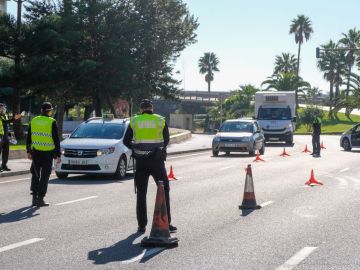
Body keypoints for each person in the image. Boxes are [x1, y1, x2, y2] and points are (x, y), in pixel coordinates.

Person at [123, 99, 177, 234]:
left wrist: (135, 149)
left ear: (141, 109)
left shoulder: (134, 121)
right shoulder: (160, 120)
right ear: (152, 108)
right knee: (164, 191)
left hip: (141, 162)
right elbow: (166, 140)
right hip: (157, 161)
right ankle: (167, 223)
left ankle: (141, 225)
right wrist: (158, 149)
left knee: (141, 194)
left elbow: (126, 141)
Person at [26, 102, 61, 207]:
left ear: (41, 110)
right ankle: (40, 199)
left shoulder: (34, 120)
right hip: (47, 154)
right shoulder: (52, 122)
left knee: (35, 174)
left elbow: (29, 137)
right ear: (50, 111)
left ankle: (34, 198)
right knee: (45, 176)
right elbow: (56, 139)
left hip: (35, 153)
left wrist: (28, 151)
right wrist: (58, 154)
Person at [0, 103, 21, 172]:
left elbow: (7, 125)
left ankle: (4, 165)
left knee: (6, 152)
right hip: (0, 136)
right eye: (2, 108)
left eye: (3, 108)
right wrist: (14, 118)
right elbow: (5, 122)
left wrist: (9, 134)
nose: (3, 109)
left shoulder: (5, 115)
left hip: (5, 135)